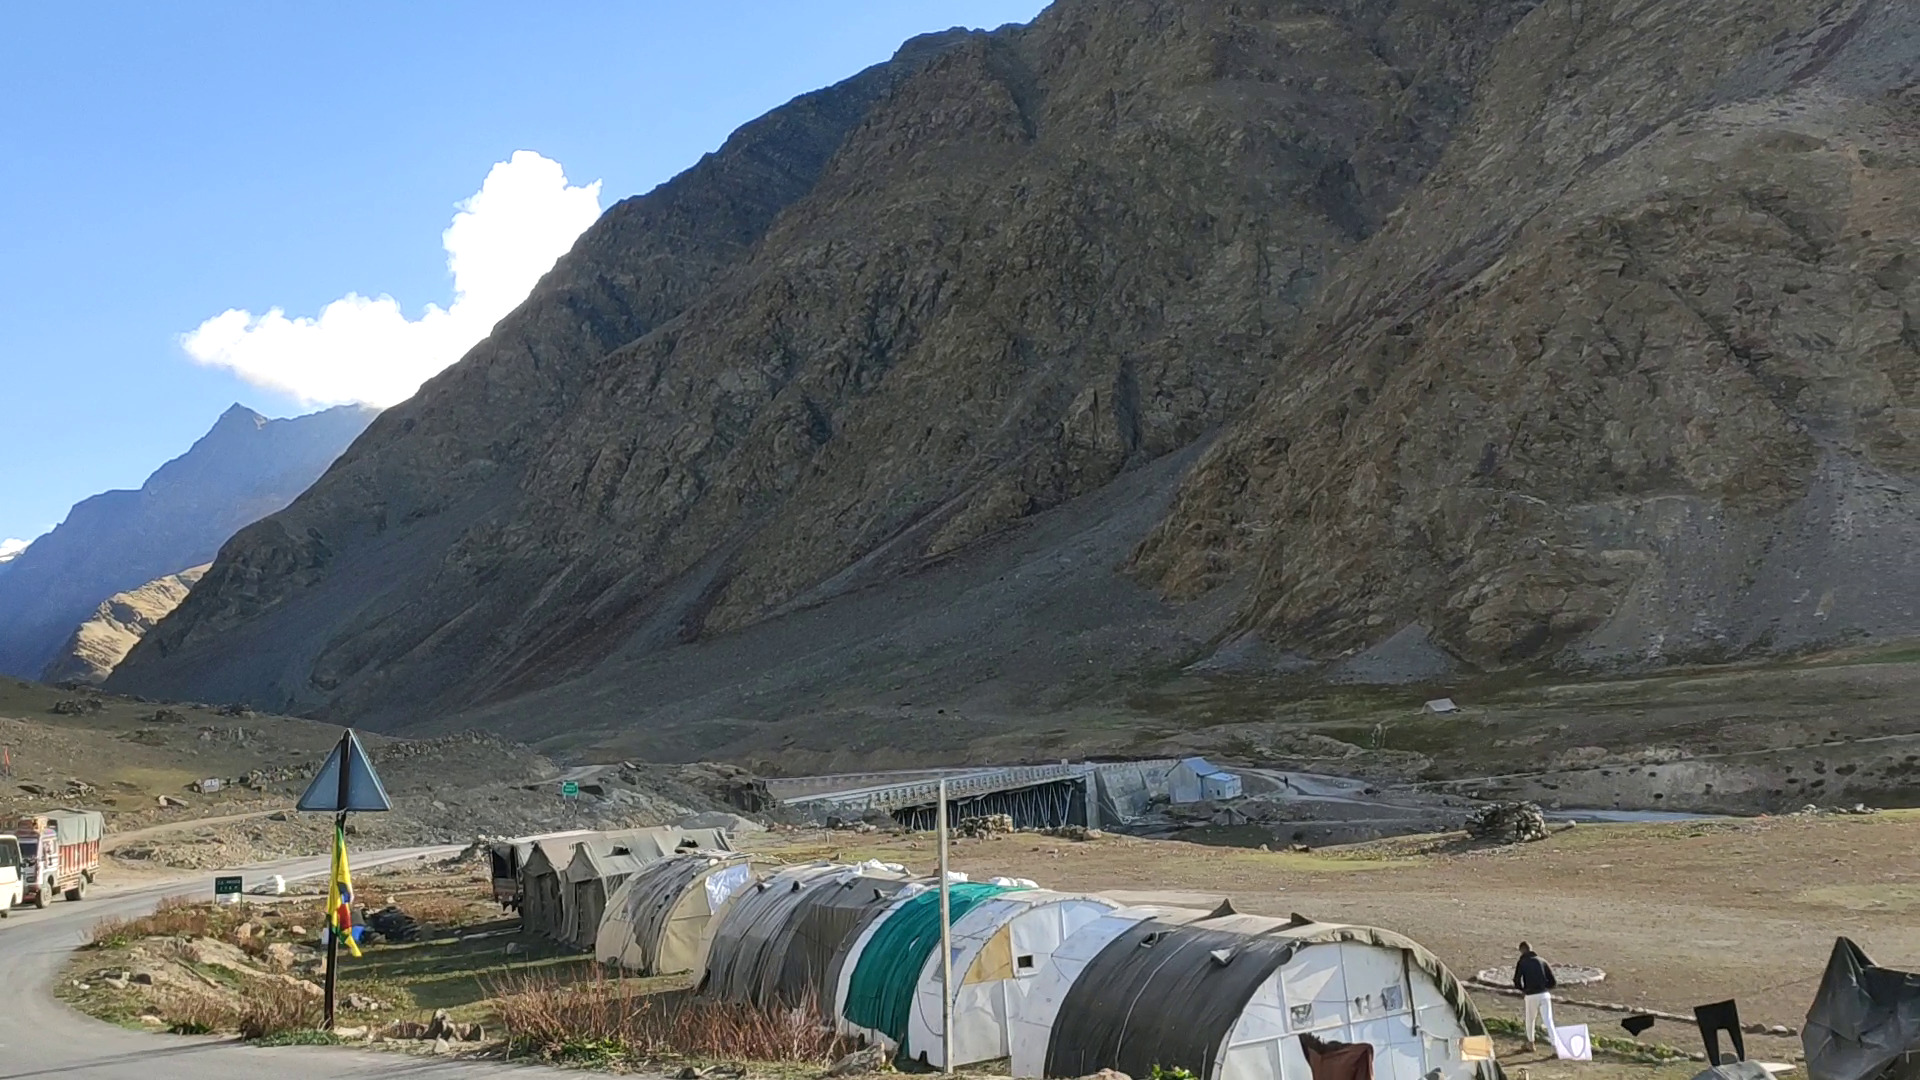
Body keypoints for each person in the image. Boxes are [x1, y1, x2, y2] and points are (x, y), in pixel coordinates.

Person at [1513, 941, 1558, 1050]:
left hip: (1531, 995)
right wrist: (1545, 988)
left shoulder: (1522, 962)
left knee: (1530, 1019)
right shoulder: (1543, 961)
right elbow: (1553, 981)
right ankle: (1555, 1046)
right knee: (1548, 1020)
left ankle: (1531, 1043)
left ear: (1522, 950)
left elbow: (1516, 979)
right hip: (1544, 994)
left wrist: (1522, 989)